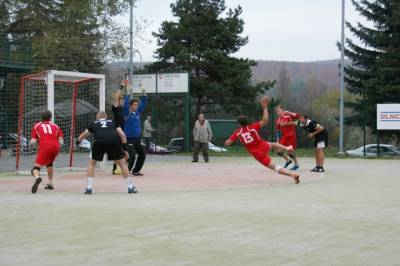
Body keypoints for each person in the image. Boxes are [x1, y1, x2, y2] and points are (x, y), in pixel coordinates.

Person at [225, 97, 300, 184]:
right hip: (263, 145)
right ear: (247, 122)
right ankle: (287, 148)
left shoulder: (237, 132)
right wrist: (265, 107)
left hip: (257, 154)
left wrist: (228, 140)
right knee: (274, 144)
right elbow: (265, 120)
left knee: (275, 167)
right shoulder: (252, 127)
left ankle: (292, 175)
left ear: (239, 124)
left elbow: (228, 143)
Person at [76, 111, 137, 194]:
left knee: (92, 163)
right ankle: (130, 186)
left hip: (99, 141)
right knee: (122, 164)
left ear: (97, 117)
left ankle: (89, 187)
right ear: (106, 117)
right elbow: (122, 135)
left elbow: (83, 135)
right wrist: (125, 149)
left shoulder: (94, 123)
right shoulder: (113, 122)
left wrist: (78, 142)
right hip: (114, 142)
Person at [30, 110, 64, 193]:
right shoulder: (55, 126)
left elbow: (33, 142)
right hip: (56, 147)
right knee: (49, 163)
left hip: (45, 146)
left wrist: (37, 147)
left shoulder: (37, 126)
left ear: (41, 117)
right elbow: (61, 142)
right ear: (50, 117)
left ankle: (37, 178)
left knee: (35, 168)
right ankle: (50, 183)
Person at [124, 87, 147, 176]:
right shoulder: (127, 113)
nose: (136, 106)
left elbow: (144, 104)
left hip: (137, 139)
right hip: (129, 139)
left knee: (142, 154)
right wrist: (128, 93)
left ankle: (136, 170)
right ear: (130, 106)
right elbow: (126, 103)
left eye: (137, 105)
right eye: (134, 105)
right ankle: (127, 171)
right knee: (132, 156)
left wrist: (144, 93)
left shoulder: (137, 112)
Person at [275, 105, 300, 170]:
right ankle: (288, 161)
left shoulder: (288, 116)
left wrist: (290, 112)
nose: (278, 112)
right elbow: (277, 131)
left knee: (289, 151)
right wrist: (277, 141)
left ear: (283, 111)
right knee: (278, 150)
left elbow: (298, 116)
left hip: (291, 136)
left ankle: (296, 164)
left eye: (279, 111)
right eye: (277, 111)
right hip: (284, 137)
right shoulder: (278, 120)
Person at [111, 85, 125, 174]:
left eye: (123, 100)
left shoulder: (122, 108)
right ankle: (115, 168)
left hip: (122, 129)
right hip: (116, 129)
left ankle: (116, 167)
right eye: (121, 99)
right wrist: (121, 87)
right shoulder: (116, 107)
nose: (122, 101)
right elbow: (116, 97)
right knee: (117, 149)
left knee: (120, 149)